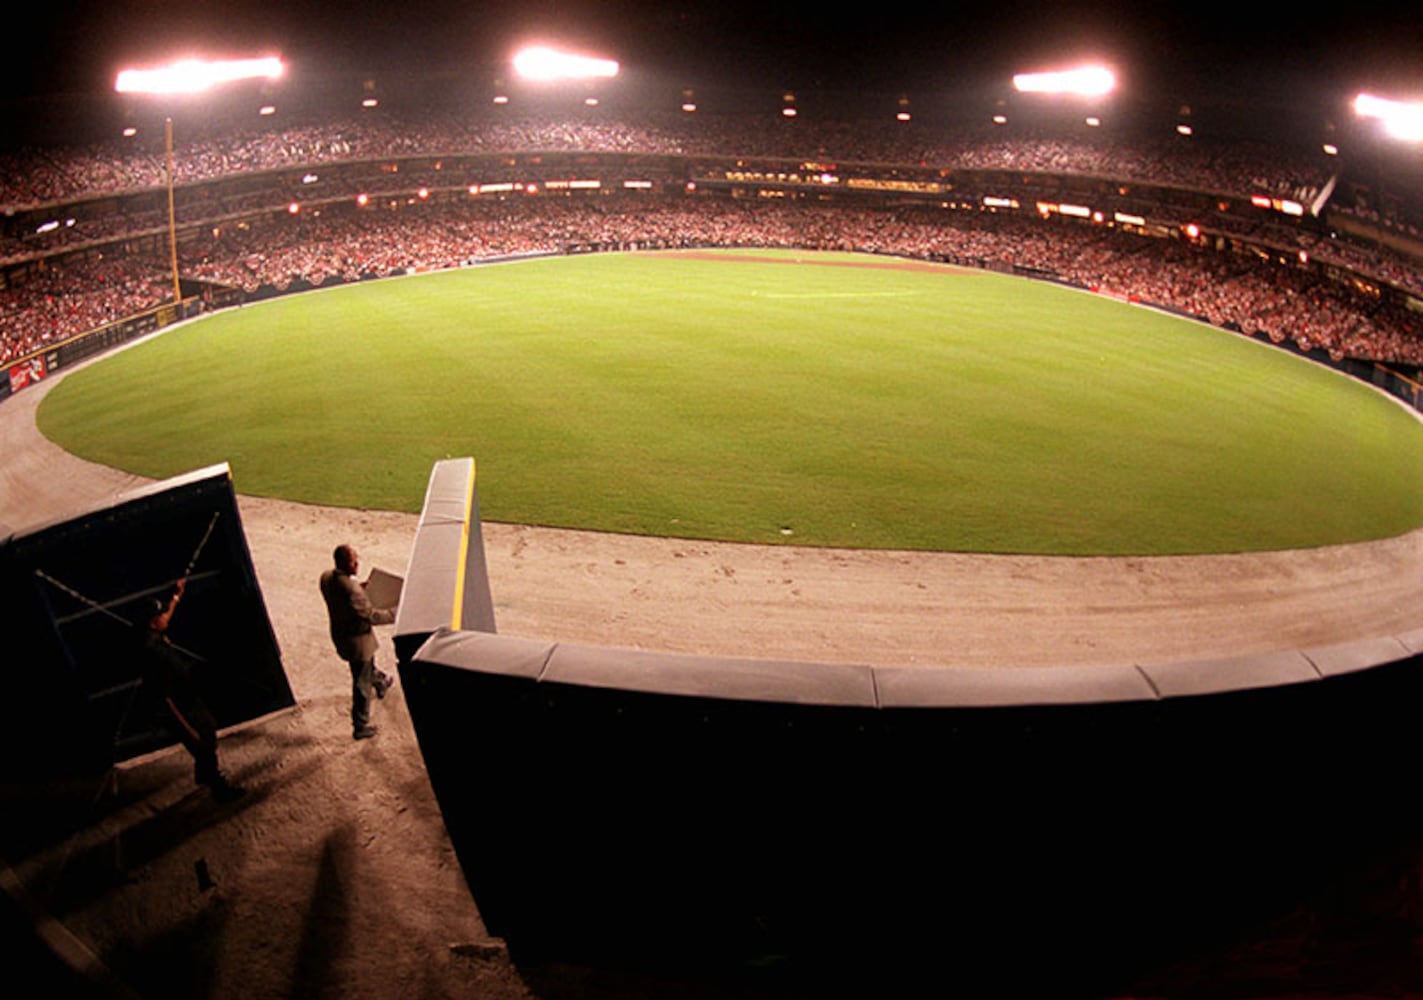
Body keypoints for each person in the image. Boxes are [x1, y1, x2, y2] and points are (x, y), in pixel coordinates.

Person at [139, 578, 246, 802]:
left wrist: (177, 595)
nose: (163, 617)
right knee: (202, 743)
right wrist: (185, 726)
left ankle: (204, 774)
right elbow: (163, 695)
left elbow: (168, 616)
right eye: (159, 615)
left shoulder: (154, 633)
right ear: (151, 623)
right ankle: (218, 787)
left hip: (188, 699)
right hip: (177, 708)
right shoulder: (152, 652)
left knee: (208, 731)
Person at [318, 544, 396, 740]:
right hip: (358, 642)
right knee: (361, 681)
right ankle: (360, 725)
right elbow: (372, 616)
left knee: (366, 668)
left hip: (341, 635)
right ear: (346, 564)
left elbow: (341, 595)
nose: (357, 563)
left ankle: (381, 682)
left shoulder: (327, 577)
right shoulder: (352, 591)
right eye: (354, 561)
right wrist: (395, 613)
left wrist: (358, 589)